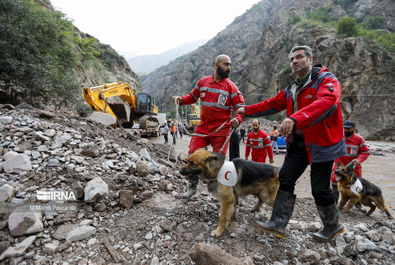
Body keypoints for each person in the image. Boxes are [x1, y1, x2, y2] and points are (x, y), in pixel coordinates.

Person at [236, 45, 346, 242]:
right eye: (292, 59)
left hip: (322, 142)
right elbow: (271, 104)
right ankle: (278, 223)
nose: (295, 61)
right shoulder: (293, 88)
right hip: (299, 142)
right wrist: (246, 110)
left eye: (300, 57)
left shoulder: (326, 80)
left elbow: (328, 101)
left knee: (319, 188)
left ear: (310, 59)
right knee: (285, 178)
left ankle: (333, 225)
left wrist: (295, 118)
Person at [173, 54, 246, 199]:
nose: (229, 68)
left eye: (230, 65)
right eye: (226, 64)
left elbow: (241, 106)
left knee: (217, 161)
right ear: (216, 65)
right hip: (203, 128)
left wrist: (238, 118)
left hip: (221, 130)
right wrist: (180, 100)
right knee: (192, 155)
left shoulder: (231, 87)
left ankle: (216, 191)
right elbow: (192, 97)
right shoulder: (203, 82)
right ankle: (192, 187)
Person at [331, 120, 370, 212]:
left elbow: (366, 152)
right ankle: (334, 204)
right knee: (334, 181)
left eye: (348, 129)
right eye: (344, 128)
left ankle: (357, 204)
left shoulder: (359, 139)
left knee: (356, 185)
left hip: (354, 166)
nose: (346, 130)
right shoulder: (339, 137)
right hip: (340, 164)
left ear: (353, 129)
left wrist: (358, 159)